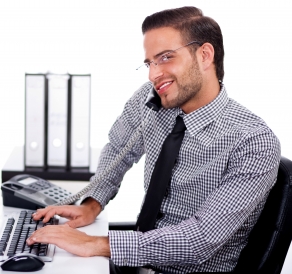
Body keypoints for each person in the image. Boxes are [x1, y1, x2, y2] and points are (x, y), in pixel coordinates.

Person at [26, 6, 281, 274]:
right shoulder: (151, 99)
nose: (153, 74)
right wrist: (92, 204)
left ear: (205, 55)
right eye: (150, 63)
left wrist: (97, 244)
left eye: (166, 58)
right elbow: (118, 149)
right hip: (138, 263)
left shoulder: (254, 142)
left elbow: (200, 239)